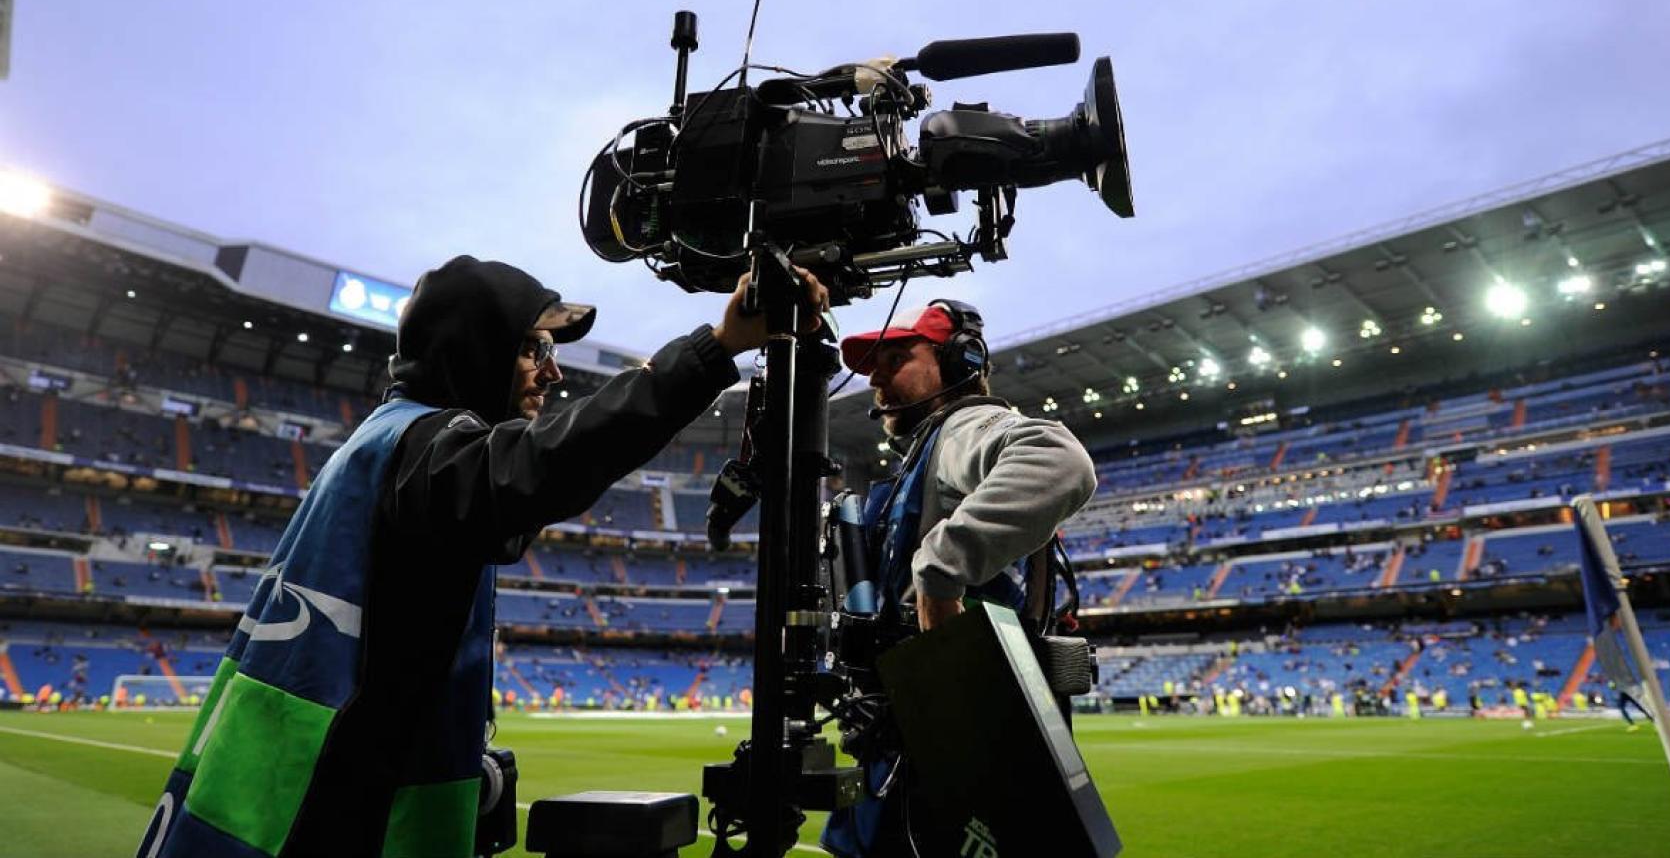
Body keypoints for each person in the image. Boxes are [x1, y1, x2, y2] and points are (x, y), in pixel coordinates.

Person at [138, 255, 826, 858]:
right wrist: (716, 348)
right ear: (473, 351)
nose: (553, 371)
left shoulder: (391, 444)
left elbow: (503, 514)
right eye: (533, 348)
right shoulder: (423, 449)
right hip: (316, 804)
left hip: (295, 775)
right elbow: (545, 468)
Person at [822, 299, 1098, 858]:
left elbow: (1060, 459)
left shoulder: (962, 425)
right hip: (919, 735)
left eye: (895, 359)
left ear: (960, 361)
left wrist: (940, 570)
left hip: (957, 740)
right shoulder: (926, 453)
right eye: (873, 367)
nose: (876, 378)